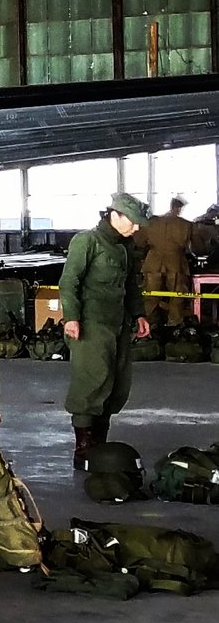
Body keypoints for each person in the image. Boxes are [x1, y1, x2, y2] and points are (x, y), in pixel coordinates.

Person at [59, 192, 150, 469]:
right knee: (91, 382)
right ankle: (84, 449)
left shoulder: (125, 246)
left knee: (116, 383)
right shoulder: (87, 241)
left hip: (118, 323)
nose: (136, 228)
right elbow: (68, 282)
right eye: (133, 222)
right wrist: (71, 318)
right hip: (91, 325)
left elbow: (130, 285)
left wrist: (139, 314)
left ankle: (100, 443)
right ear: (115, 215)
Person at [140, 195, 194, 327]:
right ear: (180, 208)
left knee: (150, 297)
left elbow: (140, 242)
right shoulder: (185, 224)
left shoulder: (152, 222)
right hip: (175, 263)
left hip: (153, 263)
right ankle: (174, 325)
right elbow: (195, 247)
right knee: (177, 296)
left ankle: (149, 326)